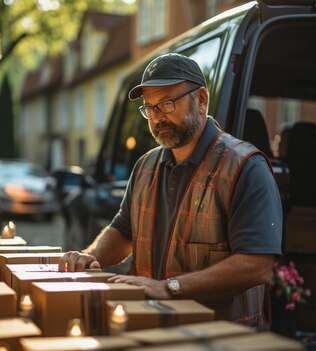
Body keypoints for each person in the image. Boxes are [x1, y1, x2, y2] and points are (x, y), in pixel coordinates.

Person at [59, 53, 283, 328]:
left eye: (166, 103)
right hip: (153, 327)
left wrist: (169, 287)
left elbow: (257, 265)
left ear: (201, 100)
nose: (156, 117)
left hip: (221, 336)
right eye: (149, 108)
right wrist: (92, 257)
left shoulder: (245, 167)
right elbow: (124, 231)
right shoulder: (145, 165)